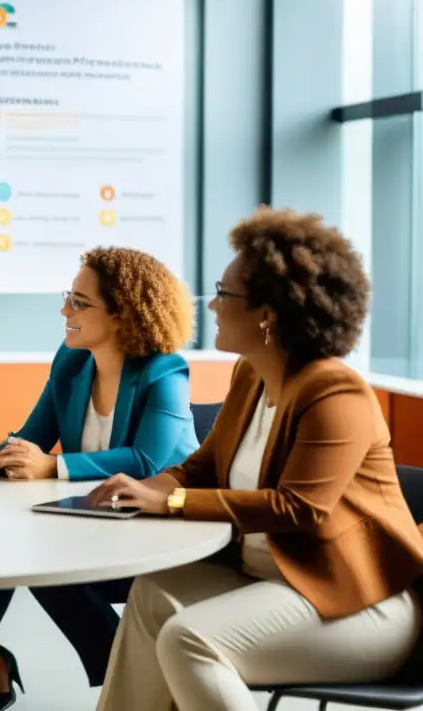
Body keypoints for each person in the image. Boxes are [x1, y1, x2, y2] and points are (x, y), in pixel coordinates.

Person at [90, 208, 423, 711]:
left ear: (267, 315)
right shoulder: (251, 376)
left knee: (189, 640)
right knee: (153, 594)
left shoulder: (337, 392)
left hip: (355, 604)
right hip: (266, 583)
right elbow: (202, 465)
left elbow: (299, 507)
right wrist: (149, 488)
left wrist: (174, 504)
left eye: (224, 295)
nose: (212, 306)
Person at [0, 246, 199, 710]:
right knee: (10, 553)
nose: (65, 310)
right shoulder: (71, 361)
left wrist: (52, 465)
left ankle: (130, 689)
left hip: (164, 530)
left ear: (123, 315)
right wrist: (12, 454)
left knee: (44, 568)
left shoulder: (165, 369)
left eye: (79, 302)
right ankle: (133, 686)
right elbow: (32, 435)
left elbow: (145, 459)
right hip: (97, 524)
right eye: (69, 297)